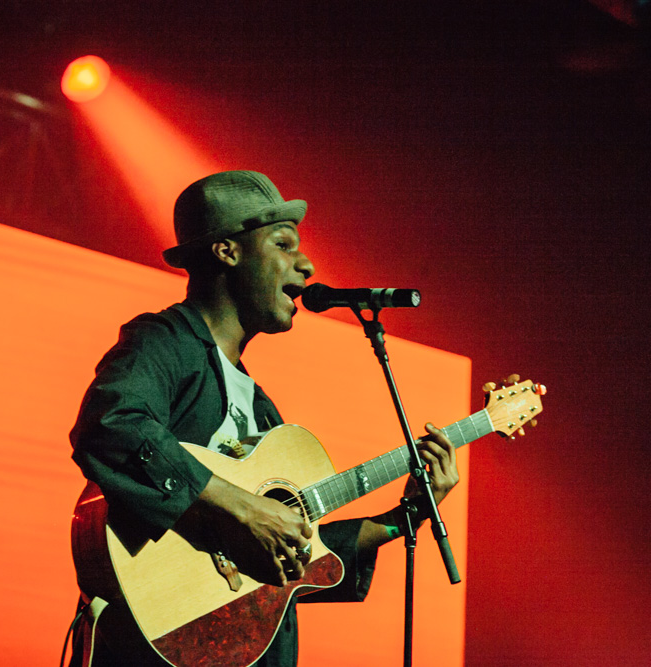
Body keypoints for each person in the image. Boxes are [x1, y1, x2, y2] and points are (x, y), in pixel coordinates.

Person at [68, 170, 460, 666]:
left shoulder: (261, 409)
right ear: (226, 251)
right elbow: (110, 424)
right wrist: (242, 507)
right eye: (283, 244)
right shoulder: (164, 342)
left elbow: (293, 553)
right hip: (149, 648)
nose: (307, 264)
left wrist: (405, 517)